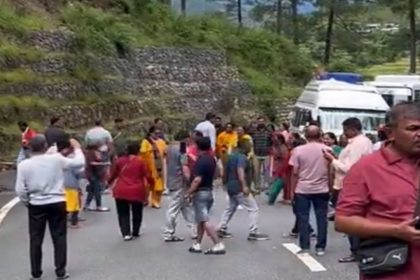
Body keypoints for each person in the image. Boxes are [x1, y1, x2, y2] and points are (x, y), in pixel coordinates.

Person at [336, 102, 420, 280]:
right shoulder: (367, 168)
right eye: (413, 128)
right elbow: (343, 221)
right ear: (390, 132)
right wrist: (396, 230)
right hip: (390, 270)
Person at [15, 135, 85, 280]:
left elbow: (20, 190)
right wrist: (77, 149)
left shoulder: (24, 165)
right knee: (59, 237)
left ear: (30, 148)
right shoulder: (56, 159)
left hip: (36, 204)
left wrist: (27, 202)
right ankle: (60, 271)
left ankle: (36, 273)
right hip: (57, 201)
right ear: (45, 146)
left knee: (35, 239)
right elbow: (78, 163)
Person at [324, 117, 373, 263]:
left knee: (350, 219)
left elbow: (350, 168)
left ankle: (356, 250)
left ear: (353, 129)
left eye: (345, 130)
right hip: (357, 184)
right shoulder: (364, 142)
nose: (344, 133)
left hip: (350, 185)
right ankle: (359, 249)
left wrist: (332, 160)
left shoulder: (358, 144)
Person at [289, 125, 331, 256]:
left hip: (303, 189)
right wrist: (329, 187)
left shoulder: (298, 150)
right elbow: (331, 171)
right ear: (320, 135)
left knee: (303, 217)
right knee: (322, 218)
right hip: (322, 188)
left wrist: (292, 190)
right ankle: (321, 247)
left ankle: (305, 246)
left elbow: (295, 172)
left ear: (305, 136)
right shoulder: (327, 150)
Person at [217, 140, 269, 241]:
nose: (251, 148)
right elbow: (240, 170)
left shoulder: (231, 157)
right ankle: (253, 231)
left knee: (230, 208)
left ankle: (221, 227)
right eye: (250, 146)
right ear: (245, 147)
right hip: (238, 186)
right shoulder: (242, 157)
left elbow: (225, 171)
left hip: (231, 186)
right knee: (253, 208)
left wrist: (225, 183)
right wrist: (244, 186)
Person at [185, 137, 225, 254]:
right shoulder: (211, 159)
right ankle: (197, 243)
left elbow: (197, 179)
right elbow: (217, 173)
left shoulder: (201, 161)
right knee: (201, 219)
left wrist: (189, 192)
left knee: (204, 220)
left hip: (201, 192)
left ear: (198, 147)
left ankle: (217, 243)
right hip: (209, 191)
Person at [109, 141, 154, 241]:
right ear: (138, 150)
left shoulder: (119, 161)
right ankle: (135, 231)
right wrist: (152, 184)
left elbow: (113, 174)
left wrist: (108, 182)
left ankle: (126, 233)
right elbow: (147, 175)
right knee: (137, 211)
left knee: (123, 212)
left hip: (121, 190)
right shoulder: (141, 161)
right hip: (137, 190)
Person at [163, 136, 196, 242]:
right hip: (180, 181)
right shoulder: (182, 148)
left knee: (186, 206)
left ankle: (193, 230)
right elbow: (184, 166)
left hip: (171, 179)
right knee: (173, 208)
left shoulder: (169, 147)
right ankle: (168, 232)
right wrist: (189, 181)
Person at [57, 134, 85, 229]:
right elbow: (79, 172)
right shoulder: (71, 159)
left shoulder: (53, 157)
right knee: (74, 206)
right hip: (71, 185)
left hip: (58, 187)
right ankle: (74, 223)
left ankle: (61, 222)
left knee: (62, 205)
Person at [140, 126, 168, 209]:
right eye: (155, 133)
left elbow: (165, 152)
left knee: (158, 186)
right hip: (148, 167)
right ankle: (145, 199)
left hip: (158, 168)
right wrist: (152, 149)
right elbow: (142, 152)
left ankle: (155, 201)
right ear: (151, 133)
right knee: (146, 186)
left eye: (159, 133)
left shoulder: (162, 142)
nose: (157, 135)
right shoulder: (146, 142)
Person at [84, 143, 110, 212]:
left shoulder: (96, 152)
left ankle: (87, 205)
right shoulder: (91, 153)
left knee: (92, 190)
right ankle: (99, 206)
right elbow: (91, 163)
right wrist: (104, 164)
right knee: (97, 190)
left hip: (96, 174)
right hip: (92, 174)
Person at [267, 132, 290, 205]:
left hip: (281, 166)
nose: (272, 139)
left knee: (279, 182)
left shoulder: (282, 147)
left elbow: (284, 157)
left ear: (279, 139)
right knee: (275, 181)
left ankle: (273, 197)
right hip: (275, 166)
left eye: (274, 137)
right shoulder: (275, 146)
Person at [251, 116, 272, 194]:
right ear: (257, 123)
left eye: (262, 121)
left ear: (265, 122)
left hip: (266, 154)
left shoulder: (269, 132)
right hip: (256, 154)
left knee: (267, 171)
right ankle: (257, 186)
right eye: (259, 121)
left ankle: (266, 185)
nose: (261, 123)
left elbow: (271, 142)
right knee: (256, 171)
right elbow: (252, 143)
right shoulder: (253, 132)